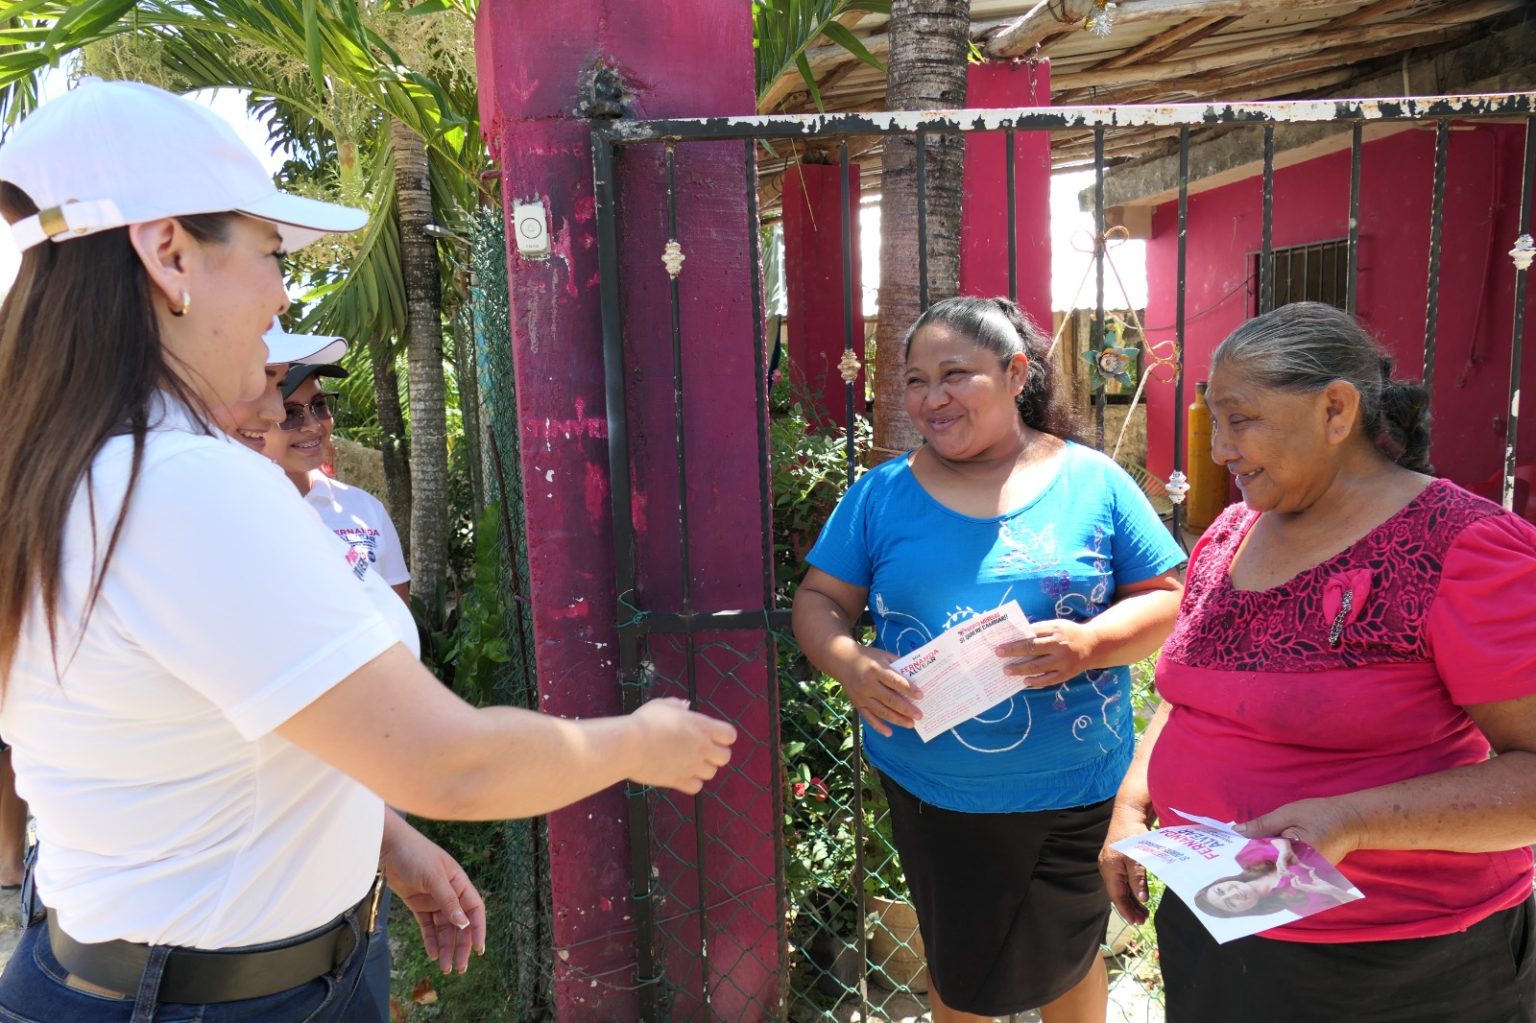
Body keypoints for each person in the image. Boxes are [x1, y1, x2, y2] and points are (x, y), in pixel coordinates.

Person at [0, 78, 734, 1022]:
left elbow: (205, 735)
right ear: (167, 251)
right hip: (218, 999)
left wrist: (385, 839)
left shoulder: (62, 466)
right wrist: (638, 743)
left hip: (144, 972)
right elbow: (449, 762)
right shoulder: (183, 483)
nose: (280, 293)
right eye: (268, 251)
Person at [1100, 302, 1536, 1023]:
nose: (1219, 450)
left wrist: (1351, 820)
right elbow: (1194, 694)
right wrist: (1132, 801)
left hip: (1398, 964)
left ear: (1336, 409)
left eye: (1242, 419)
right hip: (1219, 924)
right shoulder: (1233, 532)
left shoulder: (1462, 550)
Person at [792, 296, 1184, 1023]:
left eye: (954, 374)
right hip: (935, 788)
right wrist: (848, 660)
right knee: (962, 963)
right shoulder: (880, 495)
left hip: (1075, 788)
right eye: (914, 380)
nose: (930, 398)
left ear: (1015, 373)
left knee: (1069, 957)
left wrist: (1092, 643)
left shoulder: (1093, 481)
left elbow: (1166, 599)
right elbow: (819, 600)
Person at [272, 360, 411, 603]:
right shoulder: (235, 514)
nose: (314, 426)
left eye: (319, 405)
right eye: (290, 414)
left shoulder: (365, 509)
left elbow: (398, 616)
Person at [1194, 837, 1353, 918]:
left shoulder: (1246, 857)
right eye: (1230, 903)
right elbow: (1356, 904)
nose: (1232, 894)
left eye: (1220, 891)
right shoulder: (1303, 906)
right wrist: (1332, 890)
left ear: (1221, 881)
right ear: (1243, 912)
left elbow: (1272, 834)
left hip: (1318, 822)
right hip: (1359, 852)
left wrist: (1284, 848)